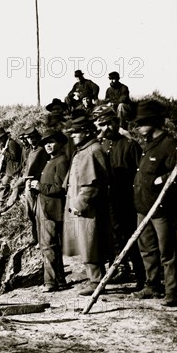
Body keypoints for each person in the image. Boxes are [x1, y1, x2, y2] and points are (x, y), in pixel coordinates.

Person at [131, 100, 177, 307]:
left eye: (142, 123)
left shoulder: (169, 144)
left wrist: (159, 180)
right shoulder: (148, 144)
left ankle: (172, 291)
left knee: (167, 251)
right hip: (143, 207)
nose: (138, 127)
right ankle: (152, 286)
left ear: (153, 122)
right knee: (147, 249)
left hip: (161, 209)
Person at [95, 107, 145, 289]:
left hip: (127, 200)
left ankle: (142, 276)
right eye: (103, 124)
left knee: (133, 237)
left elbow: (140, 175)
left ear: (116, 123)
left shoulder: (130, 145)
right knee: (114, 237)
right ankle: (121, 270)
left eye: (110, 123)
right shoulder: (103, 146)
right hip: (110, 200)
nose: (107, 127)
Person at [63, 116, 111, 296]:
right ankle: (95, 279)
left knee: (90, 243)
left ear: (87, 132)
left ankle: (96, 281)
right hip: (84, 206)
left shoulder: (91, 151)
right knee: (86, 243)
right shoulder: (85, 150)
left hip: (89, 208)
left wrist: (79, 204)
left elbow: (91, 185)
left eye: (76, 132)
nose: (73, 135)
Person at [31, 129, 70, 292]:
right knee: (51, 245)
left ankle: (50, 282)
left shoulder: (61, 161)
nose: (48, 146)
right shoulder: (51, 160)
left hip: (52, 209)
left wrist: (39, 186)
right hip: (46, 206)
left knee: (48, 245)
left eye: (51, 142)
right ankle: (59, 280)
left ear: (59, 144)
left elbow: (60, 188)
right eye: (45, 143)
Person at [0, 127, 22, 205]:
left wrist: (5, 152)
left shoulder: (11, 143)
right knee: (1, 182)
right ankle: (0, 199)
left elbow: (14, 157)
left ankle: (1, 201)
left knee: (4, 183)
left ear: (5, 136)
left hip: (14, 168)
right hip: (9, 168)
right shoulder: (4, 145)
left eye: (1, 138)